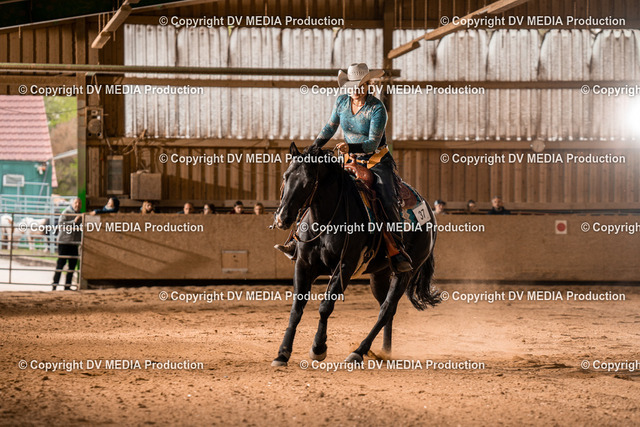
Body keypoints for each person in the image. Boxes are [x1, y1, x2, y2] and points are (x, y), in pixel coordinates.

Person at [276, 63, 411, 273]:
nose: (356, 90)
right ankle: (296, 240)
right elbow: (330, 127)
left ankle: (396, 248)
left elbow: (373, 143)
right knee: (318, 188)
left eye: (361, 85)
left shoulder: (377, 109)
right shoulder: (341, 102)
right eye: (352, 86)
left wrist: (351, 147)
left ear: (368, 85)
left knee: (387, 197)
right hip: (349, 159)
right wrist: (313, 149)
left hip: (376, 162)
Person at [52, 198, 82, 291]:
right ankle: (54, 285)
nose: (77, 205)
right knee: (61, 264)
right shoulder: (66, 212)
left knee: (72, 265)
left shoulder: (81, 215)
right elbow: (61, 225)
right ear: (72, 204)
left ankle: (67, 286)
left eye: (79, 203)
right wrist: (74, 222)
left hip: (74, 243)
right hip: (64, 242)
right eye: (76, 203)